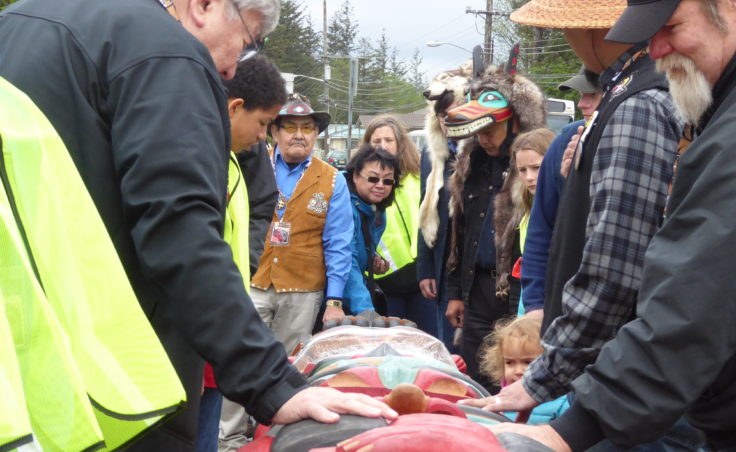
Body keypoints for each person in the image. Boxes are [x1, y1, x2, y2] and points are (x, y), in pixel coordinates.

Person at [0, 0, 395, 449]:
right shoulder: (166, 52)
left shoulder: (20, 21)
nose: (230, 71)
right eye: (248, 41)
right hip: (120, 381)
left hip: (22, 367)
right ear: (204, 5)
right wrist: (272, 385)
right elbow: (177, 231)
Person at [486, 0, 736, 450]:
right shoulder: (670, 102)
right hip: (647, 383)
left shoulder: (640, 105)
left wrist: (561, 405)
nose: (655, 47)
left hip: (643, 392)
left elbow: (665, 285)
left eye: (672, 27)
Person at [197, 55, 285, 452]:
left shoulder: (233, 160)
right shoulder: (200, 158)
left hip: (216, 314)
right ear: (235, 108)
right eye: (264, 123)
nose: (264, 136)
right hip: (193, 326)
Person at [443, 65, 547, 391]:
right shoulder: (470, 166)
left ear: (514, 121)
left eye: (490, 128)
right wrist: (456, 293)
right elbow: (460, 231)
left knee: (517, 380)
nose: (482, 137)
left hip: (518, 293)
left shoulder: (533, 168)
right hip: (476, 290)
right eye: (477, 130)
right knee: (475, 376)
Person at [251, 93, 353, 348]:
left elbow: (338, 242)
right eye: (290, 127)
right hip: (253, 282)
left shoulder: (332, 179)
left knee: (290, 367)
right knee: (243, 360)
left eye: (307, 128)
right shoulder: (253, 166)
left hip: (303, 293)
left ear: (315, 134)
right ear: (275, 131)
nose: (299, 134)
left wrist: (334, 301)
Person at [519, 69, 603, 314]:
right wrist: (534, 304)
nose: (582, 103)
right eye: (581, 94)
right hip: (564, 296)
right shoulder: (563, 142)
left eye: (593, 95)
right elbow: (541, 227)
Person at [417, 67, 471, 351]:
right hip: (440, 265)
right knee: (447, 348)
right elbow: (425, 210)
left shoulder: (479, 153)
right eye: (442, 115)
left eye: (456, 113)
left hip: (472, 271)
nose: (449, 121)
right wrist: (425, 267)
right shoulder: (433, 158)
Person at [362, 115, 432, 330]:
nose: (382, 146)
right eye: (376, 141)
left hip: (419, 277)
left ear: (400, 143)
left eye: (388, 140)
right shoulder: (362, 182)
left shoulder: (419, 177)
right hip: (383, 278)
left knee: (425, 339)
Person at [494, 128, 555, 311]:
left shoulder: (562, 207)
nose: (529, 177)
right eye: (522, 170)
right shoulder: (526, 207)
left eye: (536, 168)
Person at [341, 145, 402, 315]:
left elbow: (361, 247)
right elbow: (346, 260)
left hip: (350, 295)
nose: (380, 185)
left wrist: (372, 258)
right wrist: (365, 309)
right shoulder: (342, 206)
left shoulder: (377, 212)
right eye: (373, 179)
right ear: (355, 176)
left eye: (388, 181)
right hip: (328, 299)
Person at [479, 315, 569, 424]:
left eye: (528, 362)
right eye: (509, 362)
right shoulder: (503, 397)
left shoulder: (564, 404)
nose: (518, 371)